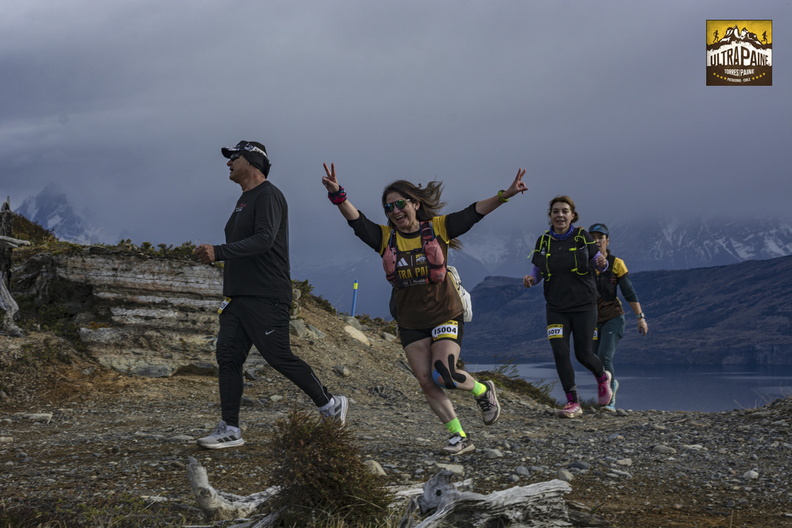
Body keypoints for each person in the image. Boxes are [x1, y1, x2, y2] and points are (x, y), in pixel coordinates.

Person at [321, 162, 527, 455]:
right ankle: (459, 436)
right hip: (410, 321)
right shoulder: (385, 238)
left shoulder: (439, 228)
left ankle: (483, 390)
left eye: (400, 204)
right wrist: (338, 195)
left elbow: (474, 212)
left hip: (445, 313)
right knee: (425, 381)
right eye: (389, 208)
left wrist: (506, 194)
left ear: (415, 204)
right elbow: (357, 221)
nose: (395, 211)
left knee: (444, 375)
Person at [194, 140, 348, 449]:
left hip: (266, 294)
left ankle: (330, 403)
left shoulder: (268, 195)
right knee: (227, 357)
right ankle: (230, 428)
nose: (228, 163)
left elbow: (264, 240)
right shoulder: (244, 200)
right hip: (237, 296)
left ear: (252, 161)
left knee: (278, 356)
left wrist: (220, 252)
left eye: (234, 157)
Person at [522, 196, 613, 418]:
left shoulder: (583, 237)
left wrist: (603, 263)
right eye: (556, 211)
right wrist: (531, 279)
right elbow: (537, 270)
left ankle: (602, 377)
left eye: (564, 211)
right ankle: (572, 402)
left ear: (573, 215)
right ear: (550, 215)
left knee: (583, 354)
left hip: (584, 305)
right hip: (556, 307)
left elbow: (599, 262)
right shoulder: (543, 241)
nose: (560, 215)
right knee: (560, 352)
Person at [588, 223, 648, 411]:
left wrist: (640, 317)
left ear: (607, 240)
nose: (596, 241)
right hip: (592, 320)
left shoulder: (616, 264)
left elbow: (629, 292)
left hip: (613, 317)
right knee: (594, 360)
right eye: (592, 238)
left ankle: (610, 400)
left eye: (600, 237)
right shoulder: (583, 264)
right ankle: (610, 385)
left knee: (605, 357)